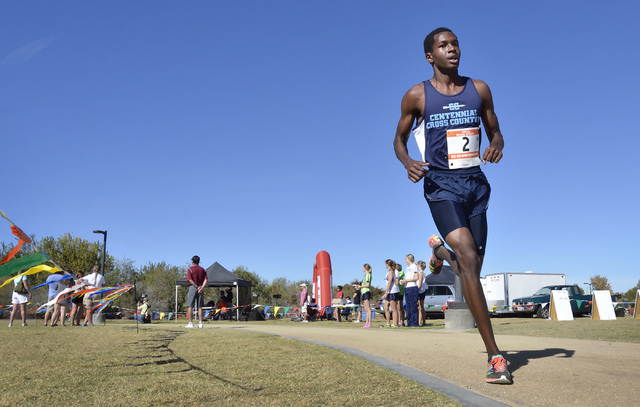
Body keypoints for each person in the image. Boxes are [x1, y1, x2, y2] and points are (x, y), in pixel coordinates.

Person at [393, 27, 511, 384]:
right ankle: (496, 356)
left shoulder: (479, 90)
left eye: (455, 44)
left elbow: (496, 131)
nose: (452, 49)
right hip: (441, 185)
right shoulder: (417, 95)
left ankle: (440, 255)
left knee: (467, 267)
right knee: (470, 260)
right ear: (431, 56)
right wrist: (408, 162)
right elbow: (398, 140)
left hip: (475, 184)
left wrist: (496, 146)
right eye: (444, 46)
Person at [186, 255, 208, 328]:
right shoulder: (203, 270)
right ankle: (200, 323)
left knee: (190, 305)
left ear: (192, 261)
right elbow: (205, 280)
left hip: (193, 287)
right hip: (201, 287)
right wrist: (201, 287)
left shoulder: (190, 269)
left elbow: (190, 279)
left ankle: (190, 323)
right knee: (200, 306)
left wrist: (196, 287)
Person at [400, 254, 419, 327]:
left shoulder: (414, 266)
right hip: (407, 288)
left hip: (412, 287)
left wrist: (406, 280)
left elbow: (416, 277)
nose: (405, 260)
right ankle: (409, 323)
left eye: (406, 259)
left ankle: (414, 323)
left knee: (413, 306)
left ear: (409, 259)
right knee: (408, 306)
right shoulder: (407, 268)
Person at [382, 259, 400, 328]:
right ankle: (388, 322)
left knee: (393, 308)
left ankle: (395, 323)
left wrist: (385, 292)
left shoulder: (391, 272)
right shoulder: (388, 272)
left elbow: (390, 282)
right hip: (389, 292)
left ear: (388, 264)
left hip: (393, 291)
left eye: (386, 264)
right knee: (385, 307)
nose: (385, 265)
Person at [354, 264, 372, 328]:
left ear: (365, 268)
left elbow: (367, 285)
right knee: (366, 309)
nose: (362, 269)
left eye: (363, 267)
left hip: (366, 292)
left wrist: (361, 286)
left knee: (368, 308)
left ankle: (369, 322)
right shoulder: (365, 275)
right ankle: (366, 323)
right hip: (363, 292)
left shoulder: (368, 275)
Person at [416, 260, 428, 326]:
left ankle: (420, 322)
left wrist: (416, 290)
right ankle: (423, 321)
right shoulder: (422, 273)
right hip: (422, 290)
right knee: (421, 306)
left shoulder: (421, 273)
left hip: (420, 290)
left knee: (420, 307)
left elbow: (420, 283)